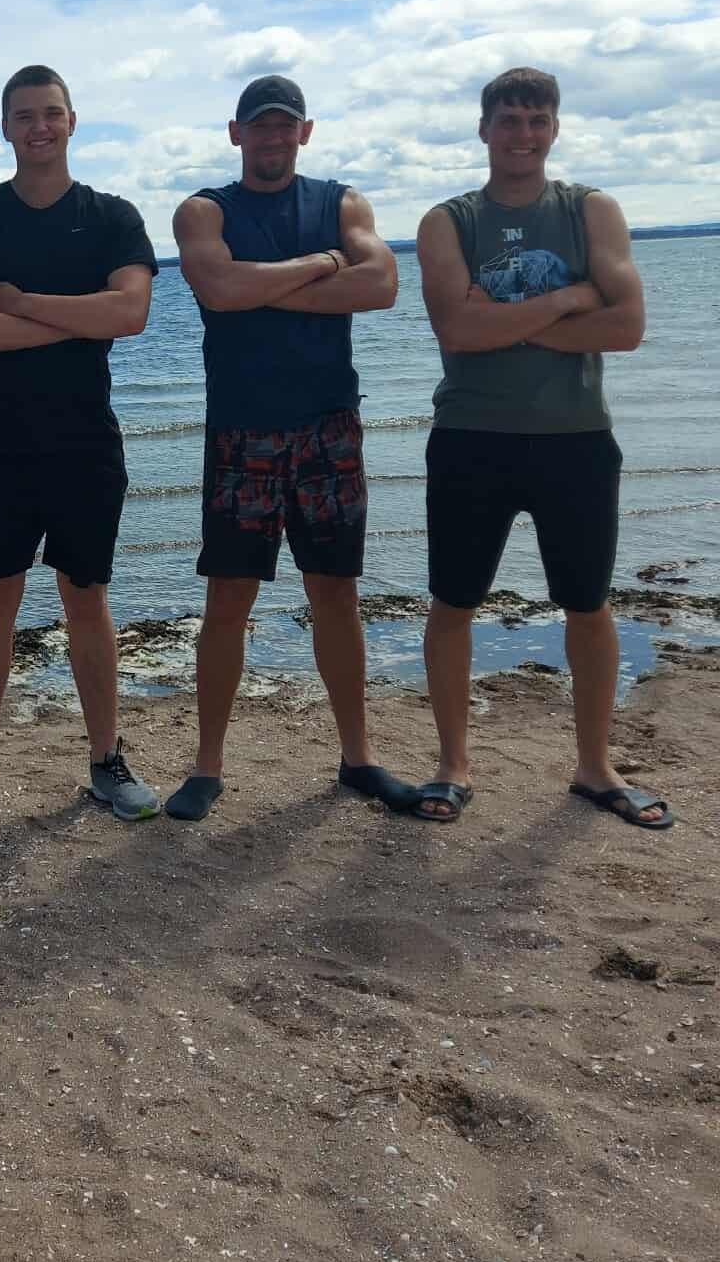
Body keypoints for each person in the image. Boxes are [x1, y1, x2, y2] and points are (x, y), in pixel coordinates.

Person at [414, 67, 669, 827]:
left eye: (537, 121)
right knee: (453, 603)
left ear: (554, 129)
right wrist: (565, 300)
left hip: (575, 439)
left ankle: (595, 767)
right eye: (509, 120)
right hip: (471, 437)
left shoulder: (591, 210)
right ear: (484, 129)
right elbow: (456, 329)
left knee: (587, 605)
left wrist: (504, 320)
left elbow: (626, 327)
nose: (522, 135)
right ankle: (452, 765)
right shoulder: (447, 221)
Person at [0, 63, 161, 837]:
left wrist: (23, 304)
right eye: (24, 115)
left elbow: (130, 313)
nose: (39, 126)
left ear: (72, 121)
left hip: (84, 438)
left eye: (51, 113)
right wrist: (77, 318)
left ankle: (106, 760)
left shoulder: (112, 216)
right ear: (5, 127)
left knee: (85, 597)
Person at [170, 75, 409, 822]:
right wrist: (324, 265)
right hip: (242, 428)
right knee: (228, 600)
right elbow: (217, 289)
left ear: (304, 132)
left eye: (285, 125)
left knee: (335, 593)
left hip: (328, 426)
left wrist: (260, 288)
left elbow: (383, 284)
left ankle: (358, 757)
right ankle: (207, 766)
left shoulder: (342, 203)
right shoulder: (205, 209)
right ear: (235, 132)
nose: (272, 137)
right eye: (259, 125)